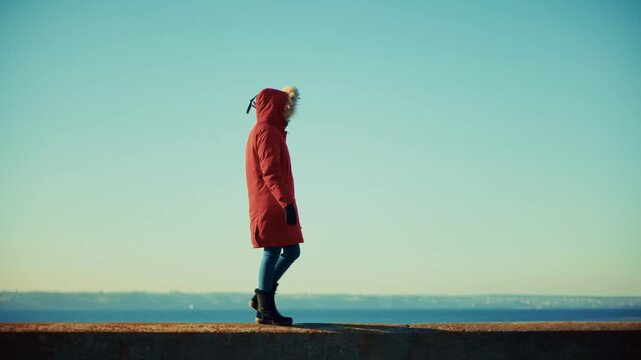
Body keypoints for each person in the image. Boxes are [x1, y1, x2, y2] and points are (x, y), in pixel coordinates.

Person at [244, 86, 303, 326]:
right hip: (272, 201)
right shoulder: (266, 132)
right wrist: (285, 202)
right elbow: (271, 173)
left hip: (276, 200)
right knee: (272, 251)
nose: (288, 111)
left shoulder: (270, 131)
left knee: (291, 251)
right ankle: (265, 308)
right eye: (285, 107)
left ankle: (262, 299)